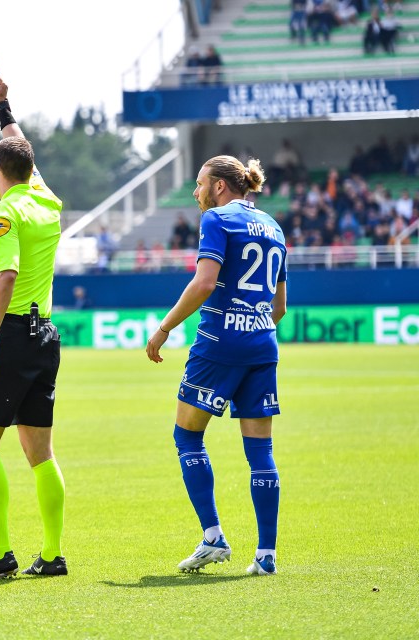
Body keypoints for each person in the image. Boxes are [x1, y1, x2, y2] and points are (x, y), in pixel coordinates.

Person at [145, 155, 287, 577]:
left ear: (220, 186)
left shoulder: (217, 220)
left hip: (218, 344)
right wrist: (254, 329)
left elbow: (205, 283)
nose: (195, 192)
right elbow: (279, 306)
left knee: (187, 436)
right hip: (263, 345)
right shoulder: (275, 227)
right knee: (260, 453)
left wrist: (165, 328)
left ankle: (213, 537)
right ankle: (266, 556)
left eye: (200, 183)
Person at [0, 76, 66, 579]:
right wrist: (2, 107)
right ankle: (50, 555)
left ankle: (0, 554)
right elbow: (21, 147)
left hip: (13, 338)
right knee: (40, 453)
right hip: (46, 335)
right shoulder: (45, 199)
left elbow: (6, 274)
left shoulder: (3, 213)